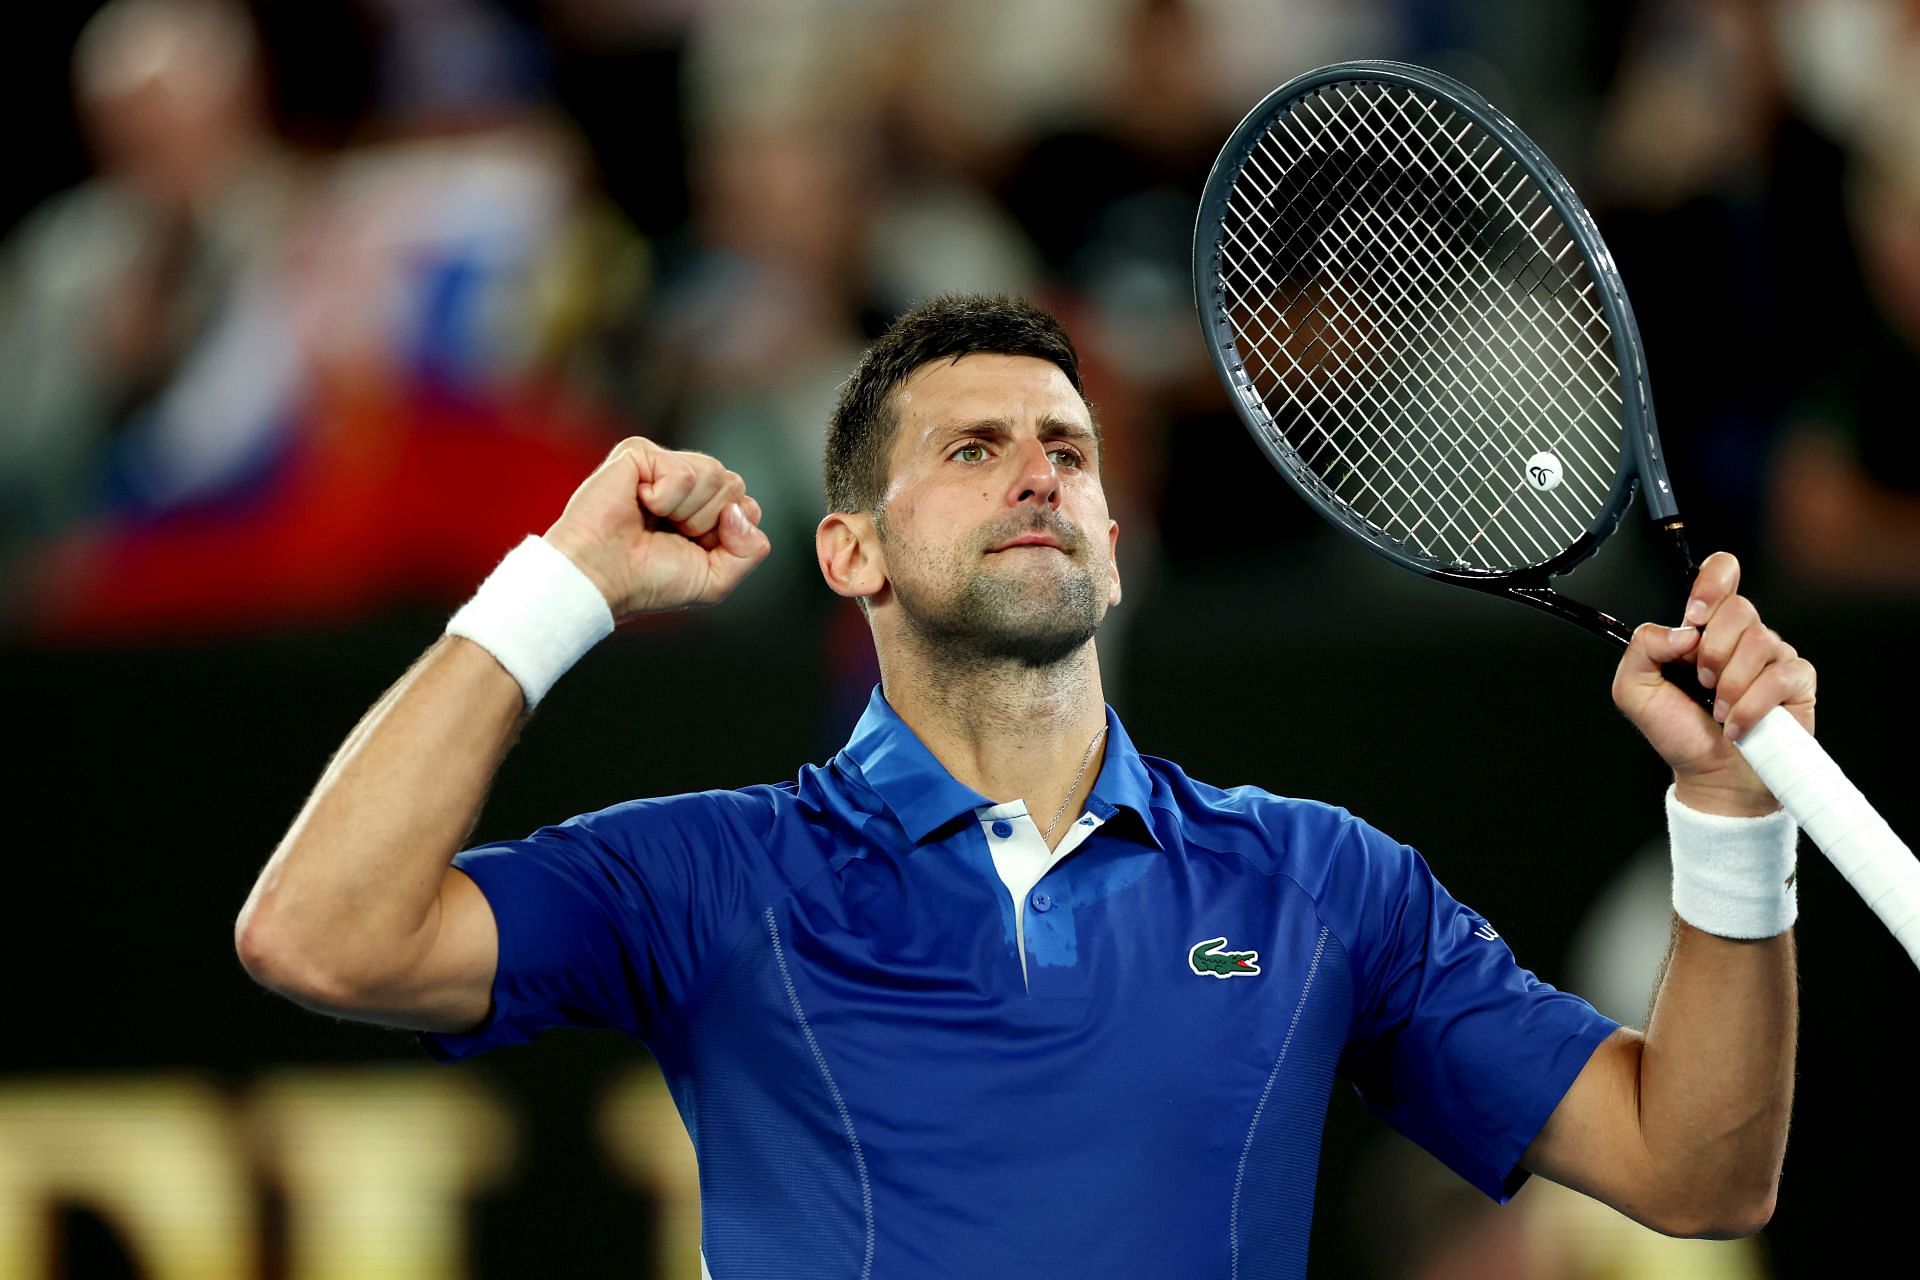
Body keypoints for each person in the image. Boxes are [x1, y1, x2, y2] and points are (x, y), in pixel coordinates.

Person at [236, 296, 1809, 1279]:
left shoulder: (1322, 880)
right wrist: (563, 582)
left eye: (1067, 448)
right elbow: (323, 936)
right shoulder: (714, 876)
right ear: (849, 551)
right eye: (974, 451)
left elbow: (1702, 1169)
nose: (1040, 472)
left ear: (1117, 551)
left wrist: (1733, 816)